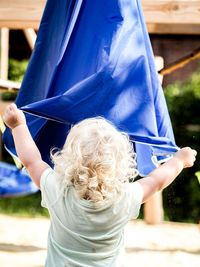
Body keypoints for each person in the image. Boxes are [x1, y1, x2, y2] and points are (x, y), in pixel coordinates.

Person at [3, 103, 197, 267]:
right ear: (122, 163)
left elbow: (32, 161)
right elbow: (156, 181)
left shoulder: (57, 190)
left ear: (68, 157)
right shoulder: (124, 198)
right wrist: (179, 161)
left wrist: (18, 126)